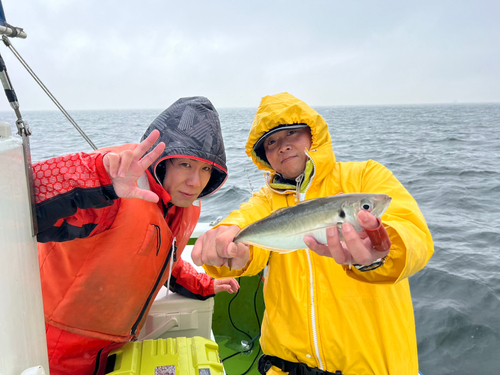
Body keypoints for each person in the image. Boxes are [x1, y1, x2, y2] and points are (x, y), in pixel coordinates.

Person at [191, 92, 434, 375]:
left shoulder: (366, 176)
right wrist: (230, 248)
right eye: (271, 142)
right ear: (264, 156)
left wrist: (383, 252)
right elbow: (243, 220)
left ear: (312, 135)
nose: (283, 146)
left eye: (292, 133)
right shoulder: (266, 201)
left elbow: (414, 232)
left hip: (374, 366)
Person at [34, 96, 240, 375]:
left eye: (205, 169)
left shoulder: (180, 205)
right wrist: (99, 180)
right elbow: (28, 201)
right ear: (163, 161)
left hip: (113, 350)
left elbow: (164, 257)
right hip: (55, 349)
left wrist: (204, 284)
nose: (196, 182)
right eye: (185, 165)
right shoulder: (115, 193)